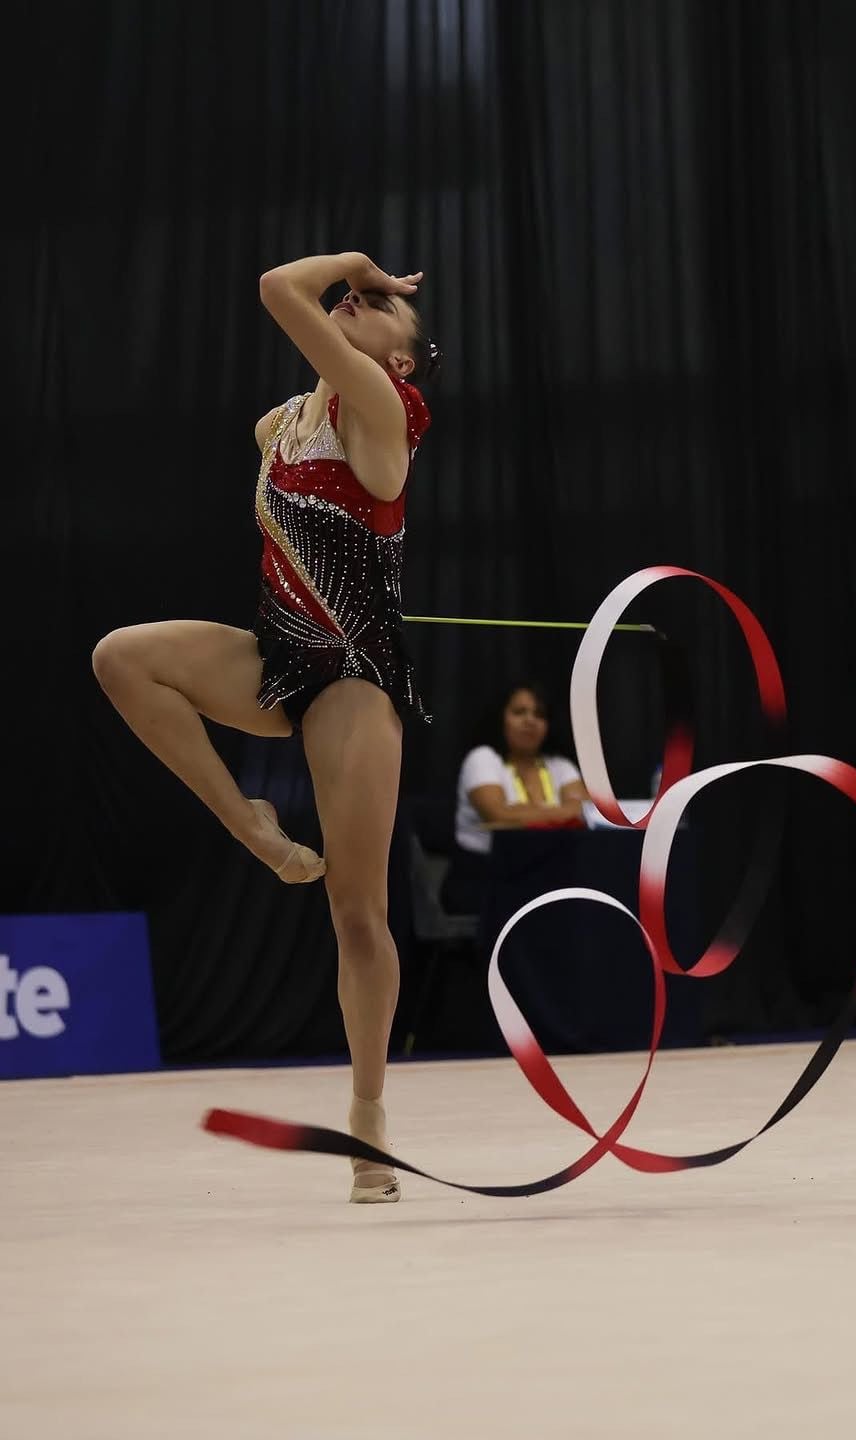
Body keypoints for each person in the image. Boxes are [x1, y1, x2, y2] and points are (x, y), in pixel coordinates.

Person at [91, 251, 440, 1204]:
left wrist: (361, 265)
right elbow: (287, 443)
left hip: (351, 679)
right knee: (123, 656)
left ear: (399, 364)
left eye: (374, 308)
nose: (357, 301)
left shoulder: (384, 408)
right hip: (278, 655)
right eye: (358, 298)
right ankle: (246, 818)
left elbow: (279, 288)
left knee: (356, 915)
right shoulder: (286, 423)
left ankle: (368, 1118)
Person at [442, 682, 588, 914]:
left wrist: (522, 811)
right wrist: (559, 813)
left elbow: (584, 812)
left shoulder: (560, 765)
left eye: (539, 714)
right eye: (519, 712)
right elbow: (498, 815)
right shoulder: (483, 758)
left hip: (545, 874)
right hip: (483, 877)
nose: (530, 720)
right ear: (501, 718)